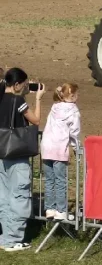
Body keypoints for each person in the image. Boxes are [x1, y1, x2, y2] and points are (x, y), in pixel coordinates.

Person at [0, 69, 44, 252]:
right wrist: (38, 98)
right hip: (17, 155)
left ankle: (6, 237)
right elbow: (35, 120)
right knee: (19, 196)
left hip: (2, 154)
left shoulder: (1, 98)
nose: (26, 86)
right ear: (17, 84)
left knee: (5, 197)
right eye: (24, 84)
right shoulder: (18, 101)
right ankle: (13, 239)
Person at [41, 82, 82, 222]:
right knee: (60, 180)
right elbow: (74, 132)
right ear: (72, 95)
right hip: (59, 148)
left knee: (49, 180)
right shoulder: (73, 111)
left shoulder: (54, 107)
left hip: (46, 147)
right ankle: (61, 211)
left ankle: (49, 209)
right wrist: (77, 148)